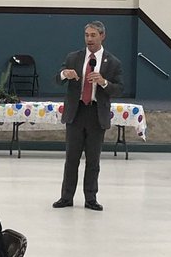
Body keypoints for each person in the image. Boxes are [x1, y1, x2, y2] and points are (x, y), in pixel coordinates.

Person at [53, 21, 124, 212]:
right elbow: (57, 78)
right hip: (76, 113)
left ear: (102, 36)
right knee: (71, 159)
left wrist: (103, 82)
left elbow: (118, 89)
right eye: (87, 35)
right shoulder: (73, 57)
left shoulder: (113, 62)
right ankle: (66, 197)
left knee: (93, 160)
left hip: (95, 114)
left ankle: (91, 198)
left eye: (93, 35)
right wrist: (64, 74)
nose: (89, 39)